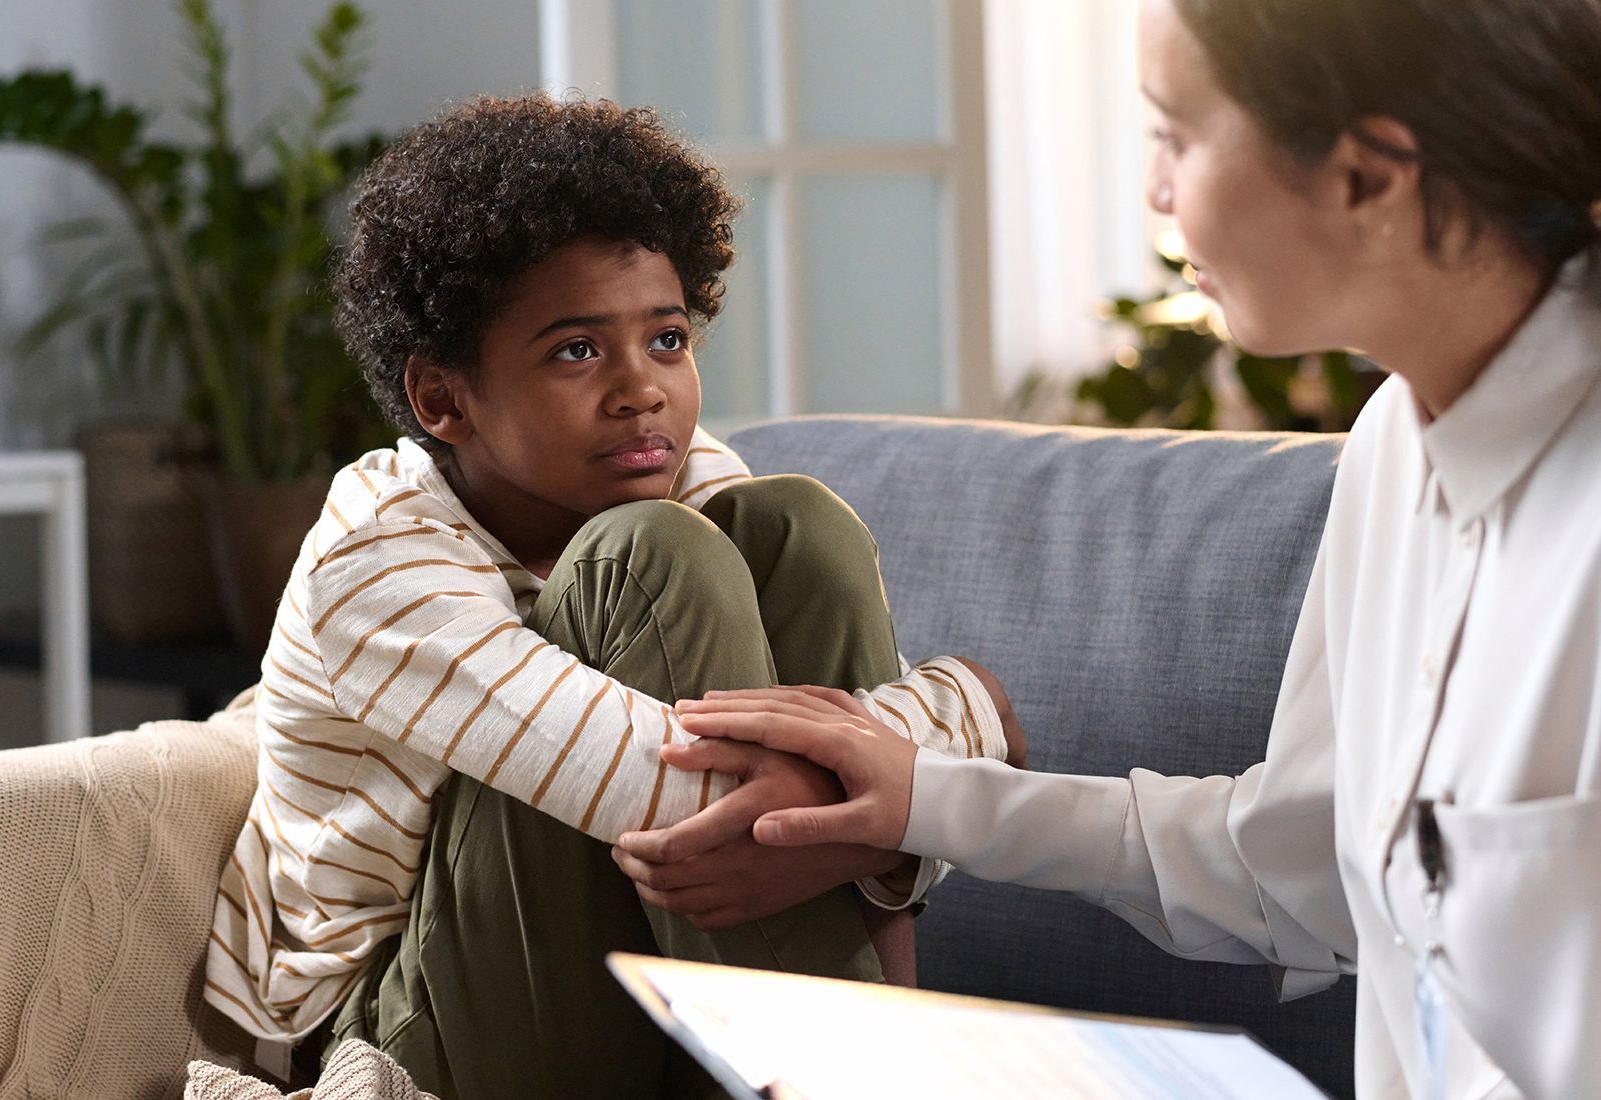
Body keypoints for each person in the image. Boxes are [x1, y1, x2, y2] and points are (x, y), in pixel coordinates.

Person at [615, 0, 1601, 1095]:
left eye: (1175, 134)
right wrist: (925, 795)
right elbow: (1305, 868)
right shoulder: (1396, 451)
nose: (1156, 191)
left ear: (1370, 176)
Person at [199, 94, 1018, 1099]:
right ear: (441, 398)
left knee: (798, 524)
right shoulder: (377, 566)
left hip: (636, 972)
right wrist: (972, 713)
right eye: (577, 351)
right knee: (649, 553)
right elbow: (690, 805)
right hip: (405, 1019)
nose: (643, 389)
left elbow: (833, 801)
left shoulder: (671, 467)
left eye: (667, 339)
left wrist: (909, 792)